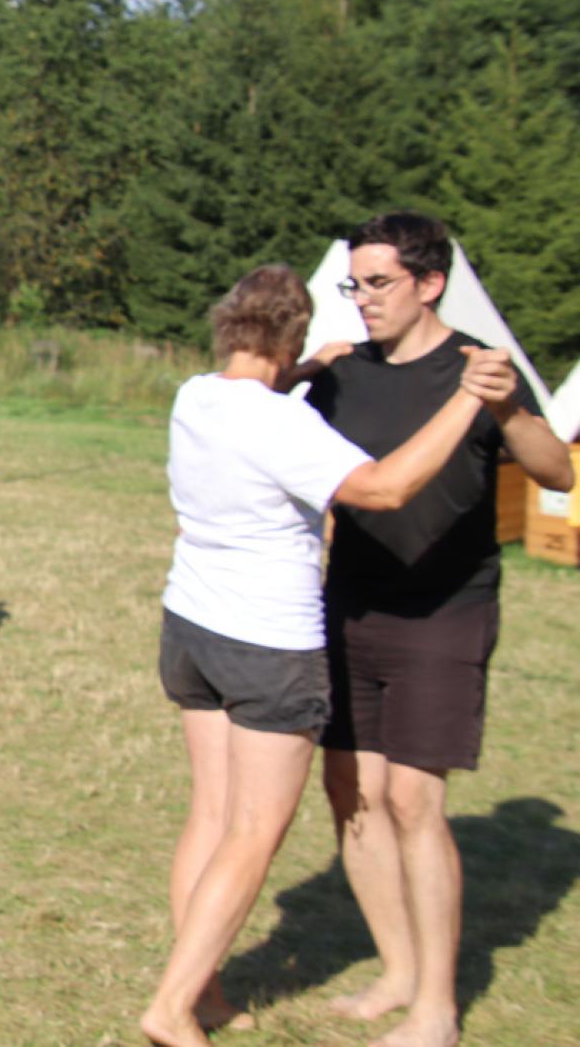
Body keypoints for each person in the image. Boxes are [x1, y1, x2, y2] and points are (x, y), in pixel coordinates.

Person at [140, 266, 519, 1047]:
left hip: (191, 631)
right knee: (252, 831)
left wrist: (310, 366)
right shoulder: (286, 426)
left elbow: (258, 384)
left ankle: (205, 996)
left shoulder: (195, 396)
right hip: (268, 648)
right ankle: (172, 1007)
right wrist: (466, 399)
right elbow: (384, 488)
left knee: (210, 815)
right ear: (291, 337)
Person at [299, 213, 573, 1047]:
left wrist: (510, 410)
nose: (362, 298)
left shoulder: (482, 369)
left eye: (378, 283)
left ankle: (437, 1009)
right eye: (354, 283)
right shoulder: (344, 371)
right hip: (350, 603)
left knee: (413, 800)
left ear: (430, 283)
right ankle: (397, 973)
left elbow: (558, 471)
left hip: (446, 613)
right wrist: (305, 366)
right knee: (351, 792)